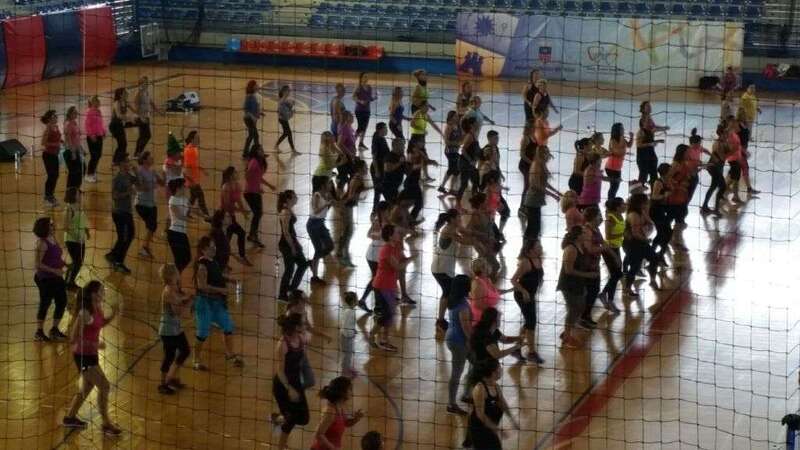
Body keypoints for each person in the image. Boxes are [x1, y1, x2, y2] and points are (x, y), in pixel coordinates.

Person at [62, 280, 122, 435]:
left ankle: (69, 418)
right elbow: (74, 338)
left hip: (91, 354)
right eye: (101, 291)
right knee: (105, 386)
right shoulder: (84, 313)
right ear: (93, 294)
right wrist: (96, 345)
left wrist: (113, 314)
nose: (104, 293)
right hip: (82, 355)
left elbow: (99, 324)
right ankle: (106, 423)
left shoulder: (97, 307)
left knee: (87, 387)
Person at [192, 236, 243, 369]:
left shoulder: (213, 261)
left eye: (214, 247)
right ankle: (196, 360)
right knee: (202, 333)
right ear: (203, 249)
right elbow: (202, 286)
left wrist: (230, 279)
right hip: (204, 303)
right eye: (211, 247)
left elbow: (217, 275)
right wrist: (221, 290)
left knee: (228, 326)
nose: (214, 249)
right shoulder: (202, 266)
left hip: (217, 303)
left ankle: (229, 353)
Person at [370, 224, 413, 352]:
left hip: (390, 286)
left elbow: (402, 259)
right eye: (396, 233)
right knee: (387, 314)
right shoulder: (386, 250)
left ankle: (384, 340)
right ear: (390, 236)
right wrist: (411, 259)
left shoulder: (396, 246)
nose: (398, 234)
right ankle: (372, 335)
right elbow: (398, 266)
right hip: (381, 286)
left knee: (390, 313)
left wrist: (408, 257)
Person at [272, 313, 311, 450]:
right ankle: (281, 447)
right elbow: (280, 371)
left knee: (304, 418)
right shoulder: (283, 344)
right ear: (296, 327)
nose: (306, 325)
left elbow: (303, 357)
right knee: (291, 419)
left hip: (296, 382)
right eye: (303, 323)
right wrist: (290, 389)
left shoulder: (301, 338)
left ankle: (278, 419)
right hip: (283, 385)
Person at [464, 308, 521, 401]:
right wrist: (515, 348)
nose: (500, 320)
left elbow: (505, 339)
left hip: (488, 365)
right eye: (499, 318)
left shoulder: (494, 330)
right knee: (484, 393)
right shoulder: (484, 334)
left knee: (488, 392)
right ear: (494, 320)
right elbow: (497, 354)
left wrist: (519, 338)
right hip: (482, 367)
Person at [465, 359, 520, 449]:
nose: (501, 370)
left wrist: (512, 420)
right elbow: (480, 415)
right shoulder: (480, 389)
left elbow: (503, 404)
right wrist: (497, 429)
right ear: (493, 372)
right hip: (480, 429)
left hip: (490, 428)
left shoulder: (495, 386)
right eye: (499, 368)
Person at [558, 226, 597, 348]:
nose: (587, 233)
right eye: (584, 232)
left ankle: (567, 331)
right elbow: (568, 270)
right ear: (578, 235)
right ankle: (567, 337)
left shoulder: (581, 246)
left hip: (578, 282)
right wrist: (588, 275)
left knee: (580, 307)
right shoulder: (571, 249)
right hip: (568, 284)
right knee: (573, 309)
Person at [509, 239, 545, 363]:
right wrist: (524, 291)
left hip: (531, 295)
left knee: (529, 321)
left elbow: (538, 276)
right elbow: (513, 280)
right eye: (538, 246)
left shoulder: (538, 259)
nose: (540, 248)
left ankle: (516, 349)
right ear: (530, 251)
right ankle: (531, 353)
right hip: (522, 295)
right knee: (531, 322)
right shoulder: (525, 262)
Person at [157, 264, 191, 394]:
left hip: (175, 328)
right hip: (168, 331)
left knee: (185, 351)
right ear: (171, 275)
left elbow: (180, 300)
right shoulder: (168, 291)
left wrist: (186, 297)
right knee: (169, 356)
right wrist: (190, 301)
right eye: (177, 272)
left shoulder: (174, 288)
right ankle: (163, 384)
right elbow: (177, 311)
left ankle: (171, 378)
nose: (178, 274)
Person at [32, 217, 68, 341]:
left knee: (62, 302)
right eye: (51, 224)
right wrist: (54, 270)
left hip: (56, 277)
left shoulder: (53, 238)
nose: (54, 226)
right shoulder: (41, 243)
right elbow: (38, 264)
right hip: (45, 279)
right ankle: (39, 332)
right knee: (45, 304)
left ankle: (54, 330)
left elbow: (55, 256)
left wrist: (64, 263)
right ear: (45, 228)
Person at [432, 209, 464, 334]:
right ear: (452, 219)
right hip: (441, 269)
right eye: (458, 217)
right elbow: (464, 240)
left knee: (449, 292)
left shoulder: (452, 228)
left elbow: (465, 233)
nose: (460, 219)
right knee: (449, 292)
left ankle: (442, 320)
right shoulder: (448, 230)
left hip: (444, 268)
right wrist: (479, 240)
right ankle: (441, 321)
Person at [444, 275, 473, 415]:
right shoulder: (462, 306)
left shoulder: (453, 300)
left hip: (452, 337)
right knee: (456, 373)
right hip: (458, 342)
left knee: (475, 363)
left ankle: (466, 394)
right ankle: (451, 404)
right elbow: (466, 327)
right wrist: (472, 342)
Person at [310, 377, 365, 450]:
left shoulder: (340, 407)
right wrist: (333, 448)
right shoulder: (331, 411)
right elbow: (319, 434)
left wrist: (356, 418)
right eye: (349, 389)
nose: (351, 392)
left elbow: (346, 423)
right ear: (342, 392)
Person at [623, 193, 660, 296]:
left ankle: (652, 280)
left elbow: (651, 223)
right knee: (635, 266)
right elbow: (635, 234)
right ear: (640, 203)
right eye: (646, 202)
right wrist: (646, 239)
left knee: (654, 258)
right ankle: (627, 288)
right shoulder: (633, 215)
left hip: (641, 241)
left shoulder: (641, 212)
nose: (648, 203)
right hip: (632, 243)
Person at [106, 157, 136, 274]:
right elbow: (114, 196)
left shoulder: (129, 176)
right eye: (127, 161)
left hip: (127, 211)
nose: (129, 163)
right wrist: (128, 193)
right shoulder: (117, 179)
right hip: (119, 213)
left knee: (127, 236)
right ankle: (118, 262)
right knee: (125, 237)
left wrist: (137, 171)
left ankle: (112, 255)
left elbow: (139, 183)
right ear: (122, 164)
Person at [524, 145, 560, 240]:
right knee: (533, 228)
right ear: (541, 154)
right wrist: (553, 195)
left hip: (536, 200)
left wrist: (556, 192)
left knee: (534, 227)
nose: (548, 155)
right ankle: (528, 246)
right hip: (532, 200)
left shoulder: (541, 164)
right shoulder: (536, 165)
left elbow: (544, 183)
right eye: (546, 153)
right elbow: (537, 185)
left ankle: (528, 245)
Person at [359, 202, 390, 312]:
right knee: (377, 279)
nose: (389, 212)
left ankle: (375, 304)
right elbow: (368, 234)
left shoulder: (387, 221)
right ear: (382, 211)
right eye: (387, 210)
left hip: (379, 255)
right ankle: (370, 303)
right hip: (373, 255)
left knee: (377, 279)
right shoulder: (378, 221)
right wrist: (380, 236)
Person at [278, 190, 308, 301]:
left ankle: (291, 289)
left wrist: (296, 243)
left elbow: (291, 231)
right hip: (286, 244)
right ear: (288, 199)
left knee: (302, 264)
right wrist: (292, 247)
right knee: (290, 269)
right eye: (295, 196)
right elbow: (286, 232)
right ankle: (282, 294)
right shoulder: (285, 212)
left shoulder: (288, 209)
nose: (297, 198)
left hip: (291, 241)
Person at [336, 159, 366, 267]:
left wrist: (359, 197)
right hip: (346, 206)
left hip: (348, 206)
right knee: (348, 232)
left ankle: (340, 253)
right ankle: (344, 256)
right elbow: (350, 196)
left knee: (347, 231)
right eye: (365, 167)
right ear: (360, 168)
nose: (366, 169)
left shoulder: (358, 178)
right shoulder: (356, 179)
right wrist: (358, 197)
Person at [220, 166, 252, 266]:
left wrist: (244, 213)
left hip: (231, 216)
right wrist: (241, 211)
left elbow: (239, 201)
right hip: (224, 217)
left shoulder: (237, 185)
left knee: (227, 240)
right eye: (235, 172)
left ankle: (225, 261)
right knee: (238, 234)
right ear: (230, 175)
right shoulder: (226, 187)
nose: (237, 173)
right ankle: (227, 260)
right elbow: (227, 205)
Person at [244, 144, 274, 247]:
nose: (262, 151)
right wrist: (254, 187)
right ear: (255, 152)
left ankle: (252, 235)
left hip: (255, 192)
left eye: (262, 149)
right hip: (250, 193)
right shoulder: (254, 162)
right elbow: (247, 175)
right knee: (258, 213)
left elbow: (258, 177)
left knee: (258, 213)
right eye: (259, 150)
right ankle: (254, 236)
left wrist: (269, 185)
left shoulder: (260, 162)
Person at [307, 176, 336, 283]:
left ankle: (313, 262)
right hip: (313, 224)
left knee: (330, 246)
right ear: (323, 185)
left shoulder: (327, 195)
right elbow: (315, 211)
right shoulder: (317, 195)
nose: (331, 185)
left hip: (320, 223)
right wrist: (327, 204)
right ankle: (314, 277)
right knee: (318, 250)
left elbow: (324, 211)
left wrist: (329, 205)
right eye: (329, 183)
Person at [599, 197, 625, 313]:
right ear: (617, 207)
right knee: (616, 274)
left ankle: (604, 295)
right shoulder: (610, 219)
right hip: (609, 250)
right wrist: (623, 234)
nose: (625, 206)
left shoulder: (621, 216)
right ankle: (609, 300)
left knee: (616, 275)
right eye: (623, 204)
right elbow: (608, 236)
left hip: (616, 248)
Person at [135, 151, 162, 259]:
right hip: (142, 204)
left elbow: (162, 183)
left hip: (152, 203)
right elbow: (140, 188)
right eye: (150, 157)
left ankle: (146, 244)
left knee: (152, 226)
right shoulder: (140, 171)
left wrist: (161, 176)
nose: (153, 159)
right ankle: (144, 248)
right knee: (152, 226)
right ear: (145, 160)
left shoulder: (152, 171)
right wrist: (151, 183)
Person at [636, 101, 669, 185]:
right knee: (643, 175)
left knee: (653, 173)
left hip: (650, 150)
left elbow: (653, 128)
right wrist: (662, 129)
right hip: (643, 154)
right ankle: (639, 191)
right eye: (647, 106)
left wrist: (663, 128)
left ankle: (653, 190)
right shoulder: (641, 131)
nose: (650, 107)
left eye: (650, 106)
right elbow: (640, 144)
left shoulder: (649, 118)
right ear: (643, 109)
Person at [701, 123, 730, 215]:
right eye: (726, 134)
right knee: (722, 186)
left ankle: (705, 207)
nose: (727, 135)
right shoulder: (717, 144)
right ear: (721, 134)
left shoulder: (724, 142)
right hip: (713, 167)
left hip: (718, 167)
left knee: (714, 186)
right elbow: (722, 157)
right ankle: (715, 209)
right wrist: (734, 151)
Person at [63, 188, 89, 290]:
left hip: (80, 240)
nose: (81, 196)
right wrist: (76, 237)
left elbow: (81, 221)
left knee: (77, 262)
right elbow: (66, 227)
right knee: (77, 262)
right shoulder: (69, 209)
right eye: (79, 194)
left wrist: (86, 231)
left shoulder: (80, 207)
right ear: (73, 196)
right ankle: (70, 283)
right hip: (72, 241)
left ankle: (68, 280)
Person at [182, 131, 211, 220]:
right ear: (192, 139)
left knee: (193, 197)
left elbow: (194, 164)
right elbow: (187, 168)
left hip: (194, 179)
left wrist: (203, 170)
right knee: (200, 196)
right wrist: (191, 181)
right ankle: (207, 215)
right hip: (192, 180)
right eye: (197, 138)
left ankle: (186, 213)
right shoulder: (189, 151)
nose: (199, 139)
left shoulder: (194, 149)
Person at [166, 178, 192, 274]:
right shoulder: (172, 201)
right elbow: (179, 216)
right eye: (184, 186)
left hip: (182, 233)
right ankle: (173, 278)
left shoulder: (185, 199)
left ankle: (174, 277)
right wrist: (194, 221)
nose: (186, 188)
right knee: (180, 260)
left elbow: (193, 209)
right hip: (174, 234)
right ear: (178, 188)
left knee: (187, 258)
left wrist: (206, 216)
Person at [605, 123, 633, 199]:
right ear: (617, 130)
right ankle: (610, 202)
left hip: (617, 167)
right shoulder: (613, 140)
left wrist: (631, 137)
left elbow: (629, 145)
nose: (623, 130)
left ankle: (611, 201)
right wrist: (625, 152)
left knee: (615, 186)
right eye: (621, 128)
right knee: (614, 187)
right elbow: (618, 152)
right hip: (611, 167)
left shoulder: (622, 138)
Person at [438, 110, 463, 195]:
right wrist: (457, 143)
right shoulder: (449, 127)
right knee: (454, 170)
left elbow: (461, 137)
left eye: (457, 116)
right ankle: (450, 189)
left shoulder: (458, 126)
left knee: (453, 170)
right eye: (455, 116)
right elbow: (446, 141)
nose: (457, 117)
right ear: (451, 117)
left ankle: (443, 187)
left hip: (455, 150)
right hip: (450, 151)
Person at [40, 110, 62, 207]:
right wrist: (55, 144)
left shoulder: (56, 127)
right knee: (51, 176)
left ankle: (51, 196)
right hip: (48, 155)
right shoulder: (48, 128)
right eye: (54, 116)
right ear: (49, 119)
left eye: (56, 115)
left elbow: (57, 138)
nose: (56, 117)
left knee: (56, 175)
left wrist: (61, 141)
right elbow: (43, 142)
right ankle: (47, 198)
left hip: (55, 155)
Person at [110, 87, 137, 164]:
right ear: (121, 95)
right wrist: (130, 118)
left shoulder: (125, 102)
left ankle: (120, 158)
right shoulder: (117, 103)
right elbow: (118, 115)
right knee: (122, 143)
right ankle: (116, 160)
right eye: (125, 93)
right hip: (115, 126)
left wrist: (142, 113)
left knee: (123, 143)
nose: (127, 94)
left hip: (120, 125)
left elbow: (134, 110)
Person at [456, 117, 481, 201]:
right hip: (465, 164)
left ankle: (474, 199)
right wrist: (470, 160)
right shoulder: (469, 136)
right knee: (464, 184)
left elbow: (475, 149)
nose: (478, 124)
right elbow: (462, 150)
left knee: (476, 180)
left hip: (470, 164)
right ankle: (458, 202)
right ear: (472, 125)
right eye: (476, 123)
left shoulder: (474, 135)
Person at [133, 76, 158, 157]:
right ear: (140, 84)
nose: (146, 84)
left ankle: (137, 152)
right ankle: (138, 152)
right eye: (144, 82)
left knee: (143, 136)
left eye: (147, 82)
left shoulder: (146, 91)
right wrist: (141, 117)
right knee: (146, 135)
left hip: (146, 116)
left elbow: (150, 100)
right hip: (141, 118)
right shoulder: (138, 93)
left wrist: (156, 109)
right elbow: (136, 106)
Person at [84, 96, 106, 183]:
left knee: (99, 155)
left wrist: (103, 131)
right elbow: (87, 125)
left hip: (99, 136)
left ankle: (92, 173)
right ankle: (89, 174)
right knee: (94, 156)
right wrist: (91, 135)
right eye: (96, 101)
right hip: (92, 137)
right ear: (92, 103)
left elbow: (101, 123)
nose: (98, 102)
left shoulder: (98, 111)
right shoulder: (90, 112)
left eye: (98, 101)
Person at [353, 72, 377, 150]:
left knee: (364, 128)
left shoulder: (369, 87)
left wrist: (374, 98)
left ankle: (361, 143)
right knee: (360, 127)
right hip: (359, 110)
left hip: (367, 110)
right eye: (364, 77)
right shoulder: (358, 87)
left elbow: (369, 98)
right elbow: (353, 97)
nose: (366, 78)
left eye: (367, 77)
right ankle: (352, 142)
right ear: (361, 78)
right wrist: (360, 101)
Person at [370, 122, 390, 209]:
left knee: (382, 189)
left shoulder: (381, 138)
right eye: (385, 128)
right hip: (377, 168)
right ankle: (376, 210)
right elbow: (374, 157)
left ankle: (380, 209)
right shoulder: (376, 140)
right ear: (380, 130)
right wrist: (377, 171)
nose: (387, 130)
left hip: (382, 167)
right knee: (379, 190)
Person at [63, 106, 84, 190]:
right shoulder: (68, 124)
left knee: (80, 170)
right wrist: (73, 152)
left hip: (76, 150)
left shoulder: (74, 123)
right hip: (70, 151)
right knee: (73, 172)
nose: (77, 114)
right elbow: (68, 139)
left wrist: (81, 149)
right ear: (70, 114)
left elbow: (76, 138)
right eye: (75, 112)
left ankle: (76, 188)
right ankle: (71, 189)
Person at [339, 292, 359, 377]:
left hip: (346, 335)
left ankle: (348, 367)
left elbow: (348, 323)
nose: (358, 300)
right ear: (353, 301)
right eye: (357, 299)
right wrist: (351, 333)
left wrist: (353, 330)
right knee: (347, 355)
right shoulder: (349, 312)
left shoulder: (348, 310)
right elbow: (346, 325)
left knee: (348, 354)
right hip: (347, 337)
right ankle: (345, 372)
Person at [242, 80, 263, 158]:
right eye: (256, 85)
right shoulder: (249, 96)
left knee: (253, 135)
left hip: (253, 120)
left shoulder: (254, 96)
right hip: (249, 119)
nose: (258, 86)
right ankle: (253, 153)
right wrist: (252, 116)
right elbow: (246, 109)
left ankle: (251, 153)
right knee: (254, 136)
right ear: (253, 87)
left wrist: (260, 113)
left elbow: (254, 108)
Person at [275, 85, 297, 153]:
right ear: (284, 92)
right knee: (288, 133)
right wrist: (292, 112)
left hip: (283, 119)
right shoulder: (282, 101)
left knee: (286, 133)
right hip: (283, 119)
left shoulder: (285, 100)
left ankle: (276, 146)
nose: (289, 92)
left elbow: (288, 108)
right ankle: (293, 149)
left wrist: (292, 105)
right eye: (288, 91)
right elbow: (286, 115)